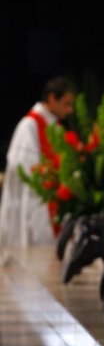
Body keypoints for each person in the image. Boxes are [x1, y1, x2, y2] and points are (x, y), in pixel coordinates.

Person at [0, 77, 75, 258]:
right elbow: (23, 168)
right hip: (34, 204)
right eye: (66, 104)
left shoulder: (55, 126)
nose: (70, 110)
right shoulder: (29, 125)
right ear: (51, 98)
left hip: (54, 204)